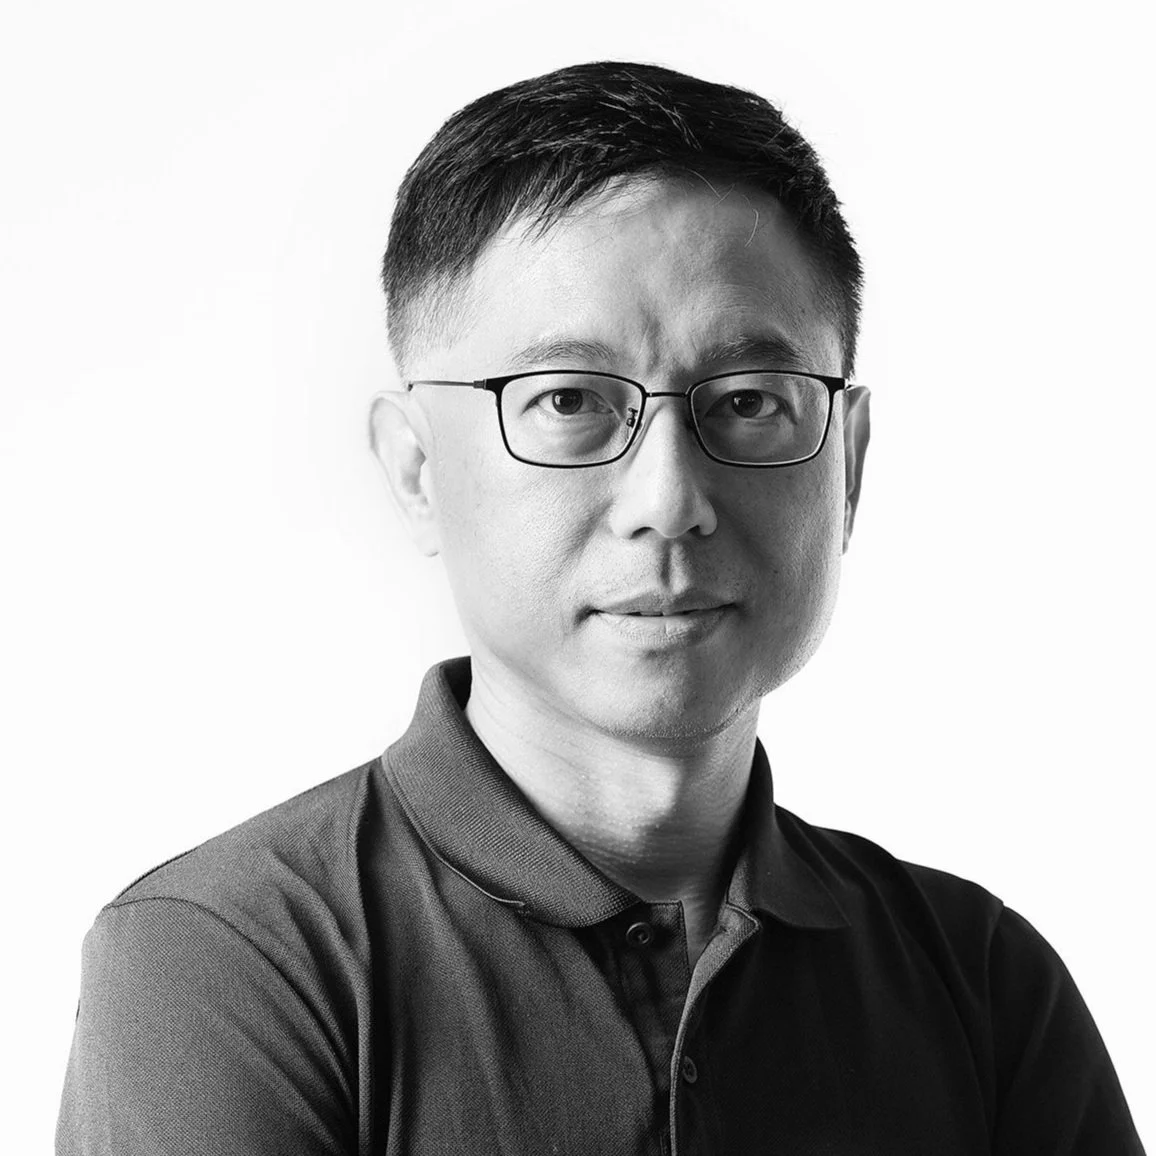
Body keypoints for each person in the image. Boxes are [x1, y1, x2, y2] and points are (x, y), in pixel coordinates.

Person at [56, 60, 1144, 1155]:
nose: (669, 500)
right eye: (568, 400)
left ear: (847, 466)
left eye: (750, 402)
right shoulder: (234, 963)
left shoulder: (984, 983)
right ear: (416, 468)